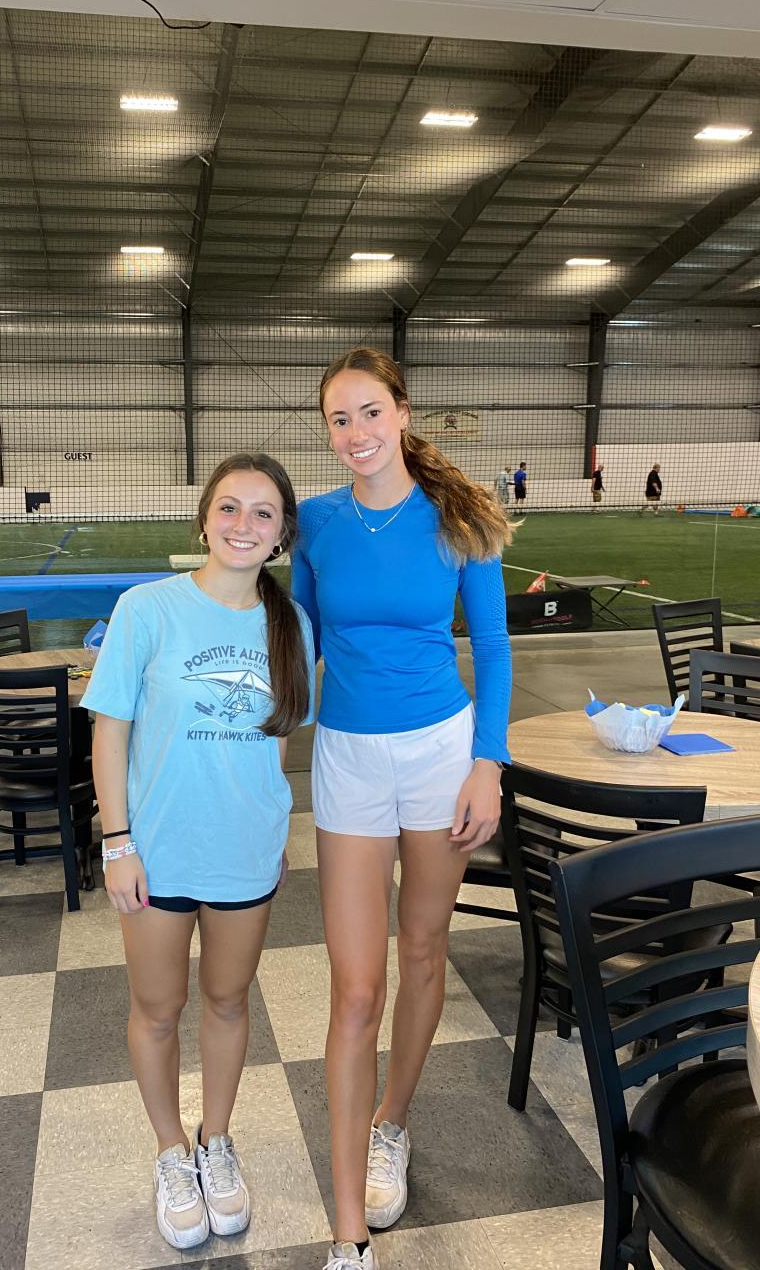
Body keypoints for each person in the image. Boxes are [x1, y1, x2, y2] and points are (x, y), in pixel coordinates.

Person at [293, 347, 513, 1270]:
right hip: (347, 759)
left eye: (370, 413)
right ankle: (348, 1233)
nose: (357, 434)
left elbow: (493, 648)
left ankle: (392, 1121)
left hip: (439, 755)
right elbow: (298, 642)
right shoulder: (313, 523)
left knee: (423, 951)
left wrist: (488, 764)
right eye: (339, 419)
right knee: (355, 989)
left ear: (403, 412)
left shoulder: (458, 518)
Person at [83, 452, 315, 1252]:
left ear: (282, 534)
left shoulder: (290, 623)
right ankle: (170, 1151)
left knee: (227, 1000)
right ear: (204, 519)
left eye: (263, 513)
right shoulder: (146, 609)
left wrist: (274, 826)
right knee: (158, 1008)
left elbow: (277, 742)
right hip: (158, 849)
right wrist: (117, 842)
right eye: (229, 507)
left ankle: (216, 1141)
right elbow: (110, 733)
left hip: (245, 850)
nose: (243, 525)